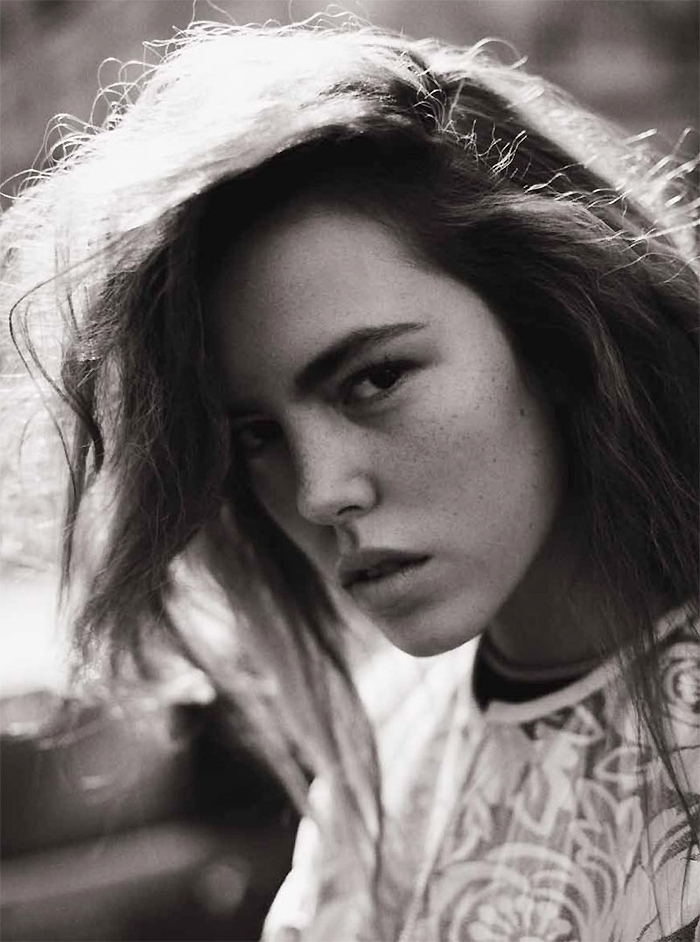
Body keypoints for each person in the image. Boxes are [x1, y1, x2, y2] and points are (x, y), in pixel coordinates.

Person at [2, 19, 698, 942]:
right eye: (255, 436)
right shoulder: (379, 763)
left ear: (558, 331)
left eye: (374, 381)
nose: (317, 493)